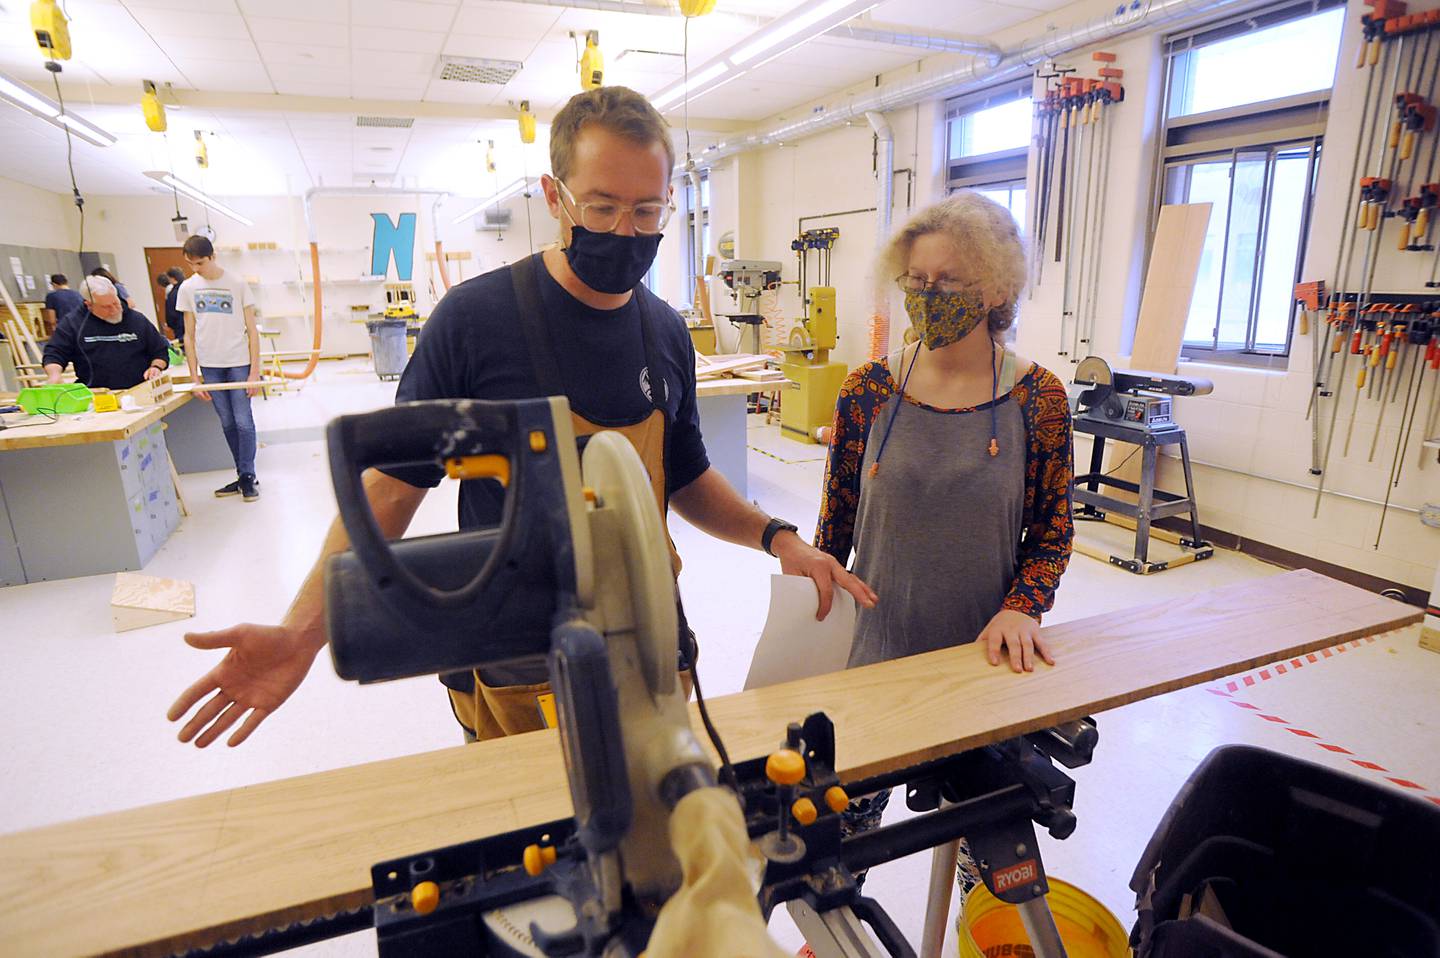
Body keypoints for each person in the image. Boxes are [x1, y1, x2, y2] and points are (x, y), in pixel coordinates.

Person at [167, 86, 876, 750]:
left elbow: (685, 473)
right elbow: (390, 491)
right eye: (602, 208)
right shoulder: (475, 322)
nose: (626, 231)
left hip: (651, 638)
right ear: (554, 196)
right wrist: (301, 634)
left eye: (648, 212)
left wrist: (779, 539)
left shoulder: (664, 331)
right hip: (516, 661)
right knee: (529, 859)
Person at [815, 190, 1075, 889]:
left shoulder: (1037, 398)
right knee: (833, 859)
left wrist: (1024, 605)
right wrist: (810, 611)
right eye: (917, 282)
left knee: (988, 873)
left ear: (995, 288)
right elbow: (835, 522)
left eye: (948, 283)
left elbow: (1053, 530)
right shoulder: (868, 389)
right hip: (872, 660)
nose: (927, 297)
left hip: (982, 666)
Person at [175, 235, 262, 502]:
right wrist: (194, 377)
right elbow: (188, 335)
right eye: (191, 264)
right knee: (227, 423)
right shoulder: (188, 288)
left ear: (212, 257)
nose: (196, 268)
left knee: (243, 422)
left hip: (238, 362)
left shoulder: (236, 283)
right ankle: (242, 473)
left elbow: (252, 331)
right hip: (210, 365)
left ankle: (248, 476)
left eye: (200, 262)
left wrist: (254, 372)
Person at [41, 275, 170, 389]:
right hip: (97, 396)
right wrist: (54, 375)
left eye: (115, 303)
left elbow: (160, 351)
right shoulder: (73, 323)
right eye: (106, 307)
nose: (114, 310)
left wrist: (156, 367)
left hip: (139, 391)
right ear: (89, 305)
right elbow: (55, 353)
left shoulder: (137, 320)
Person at [164, 266, 187, 342]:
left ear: (173, 279)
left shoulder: (173, 294)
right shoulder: (189, 288)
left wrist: (170, 324)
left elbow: (171, 314)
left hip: (180, 325)